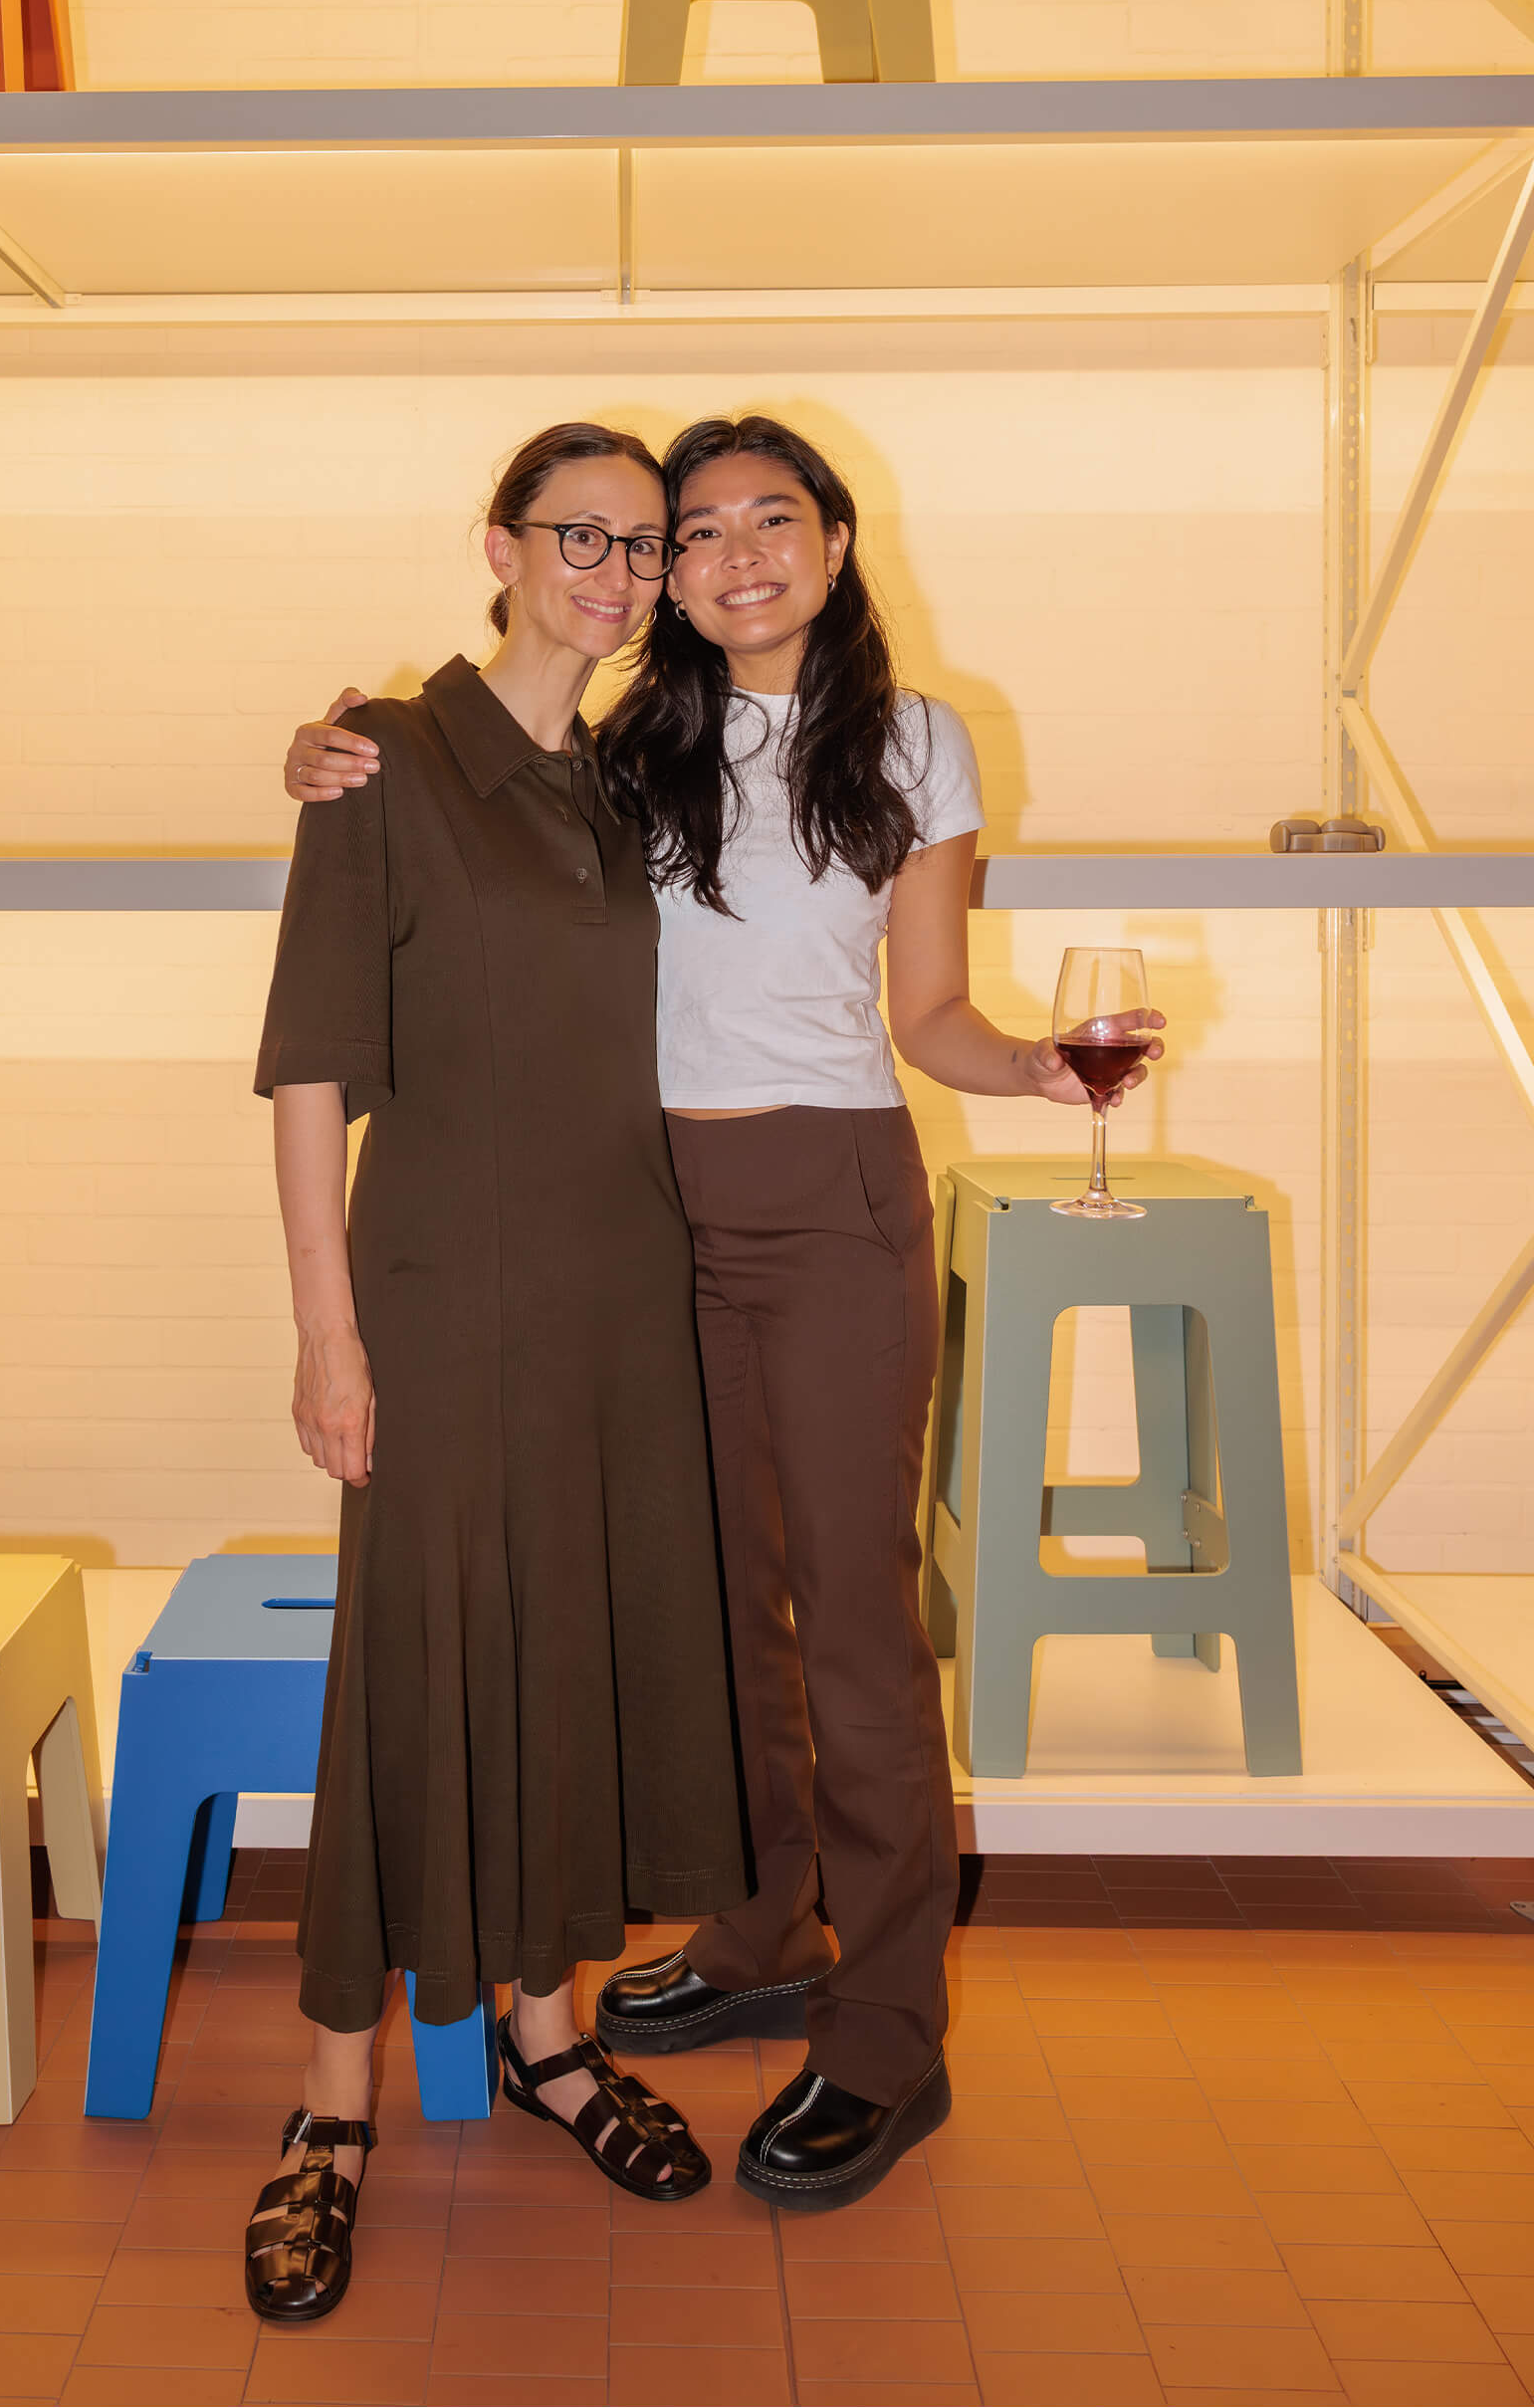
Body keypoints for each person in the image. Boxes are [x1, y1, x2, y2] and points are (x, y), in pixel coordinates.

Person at [286, 411, 1164, 2214]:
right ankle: (766, 1923)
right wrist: (321, 748)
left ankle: (888, 2030)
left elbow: (927, 1011)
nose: (732, 551)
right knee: (716, 1613)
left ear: (840, 547)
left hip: (828, 1200)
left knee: (846, 1619)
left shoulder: (917, 741)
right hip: (640, 1217)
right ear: (647, 573)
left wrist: (1041, 1071)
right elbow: (463, 820)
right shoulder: (632, 746)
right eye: (696, 530)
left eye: (777, 518)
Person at [246, 420, 750, 2326]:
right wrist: (325, 1328)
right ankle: (332, 2109)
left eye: (646, 547)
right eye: (584, 538)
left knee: (569, 1662)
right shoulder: (383, 755)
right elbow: (313, 1060)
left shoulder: (631, 784)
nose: (616, 576)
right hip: (441, 1292)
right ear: (501, 542)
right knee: (417, 1670)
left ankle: (549, 2041)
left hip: (626, 1294)